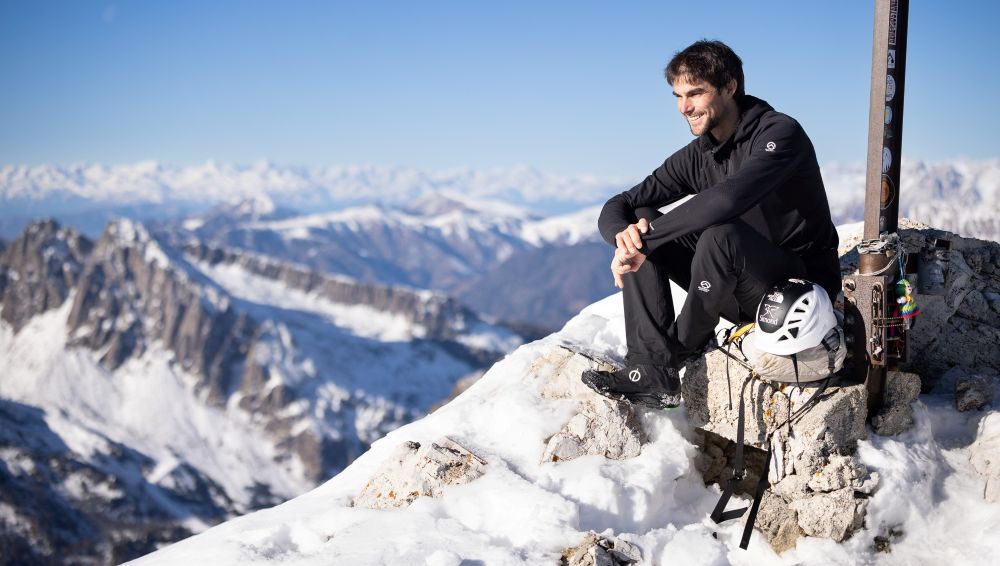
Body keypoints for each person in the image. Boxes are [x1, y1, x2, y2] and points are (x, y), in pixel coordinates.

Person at [581, 40, 841, 410]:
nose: (684, 107)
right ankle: (651, 370)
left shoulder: (779, 134)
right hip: (733, 284)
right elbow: (620, 204)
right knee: (643, 219)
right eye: (678, 95)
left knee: (719, 234)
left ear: (730, 87)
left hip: (797, 290)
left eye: (696, 93)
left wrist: (647, 244)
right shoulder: (701, 153)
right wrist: (625, 239)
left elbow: (728, 199)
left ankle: (677, 351)